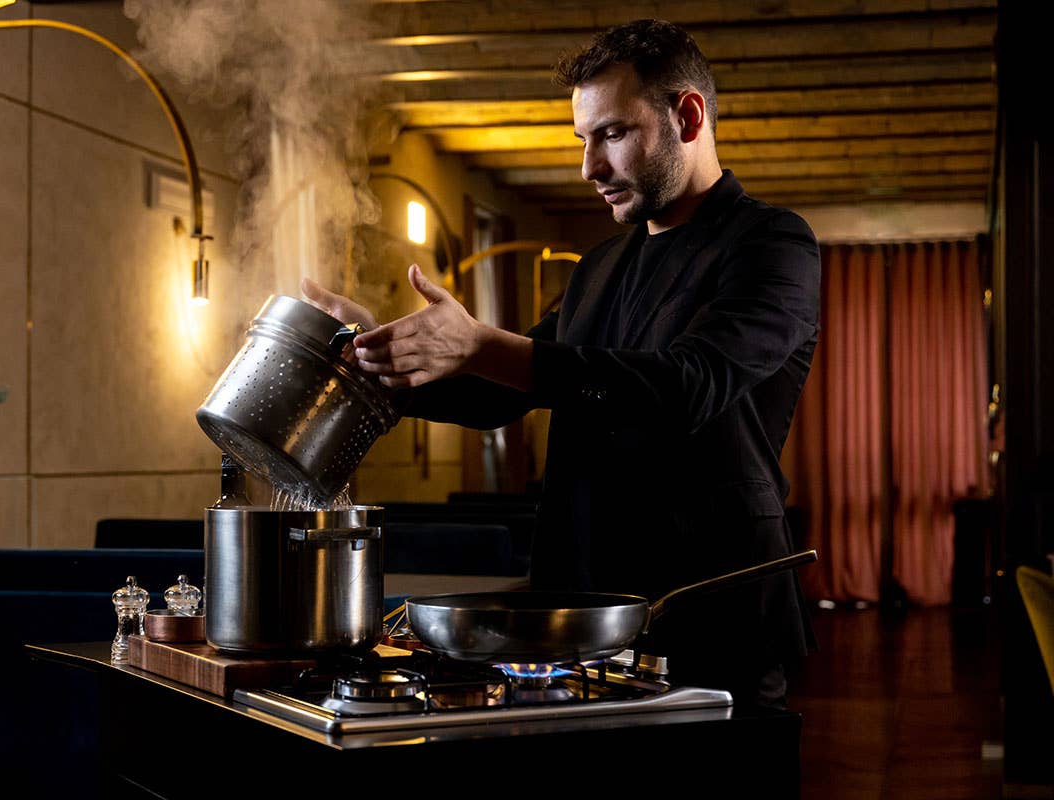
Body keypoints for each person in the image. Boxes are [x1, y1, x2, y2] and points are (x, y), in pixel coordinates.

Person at [302, 18, 820, 709]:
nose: (589, 168)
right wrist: (382, 357)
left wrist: (484, 344)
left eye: (612, 134)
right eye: (583, 140)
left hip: (711, 611)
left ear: (688, 116)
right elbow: (503, 392)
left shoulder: (772, 243)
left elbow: (686, 387)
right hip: (579, 613)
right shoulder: (601, 267)